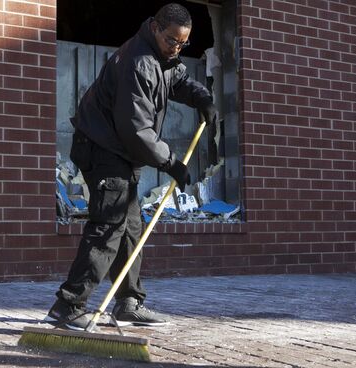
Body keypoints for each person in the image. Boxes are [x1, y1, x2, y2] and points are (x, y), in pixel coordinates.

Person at [45, 3, 219, 331]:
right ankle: (67, 306)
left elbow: (178, 79)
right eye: (172, 41)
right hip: (103, 148)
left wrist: (203, 99)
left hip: (119, 152)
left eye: (183, 44)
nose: (177, 48)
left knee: (131, 227)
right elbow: (135, 128)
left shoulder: (162, 57)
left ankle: (129, 303)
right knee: (109, 225)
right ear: (155, 27)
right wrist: (171, 163)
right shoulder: (139, 62)